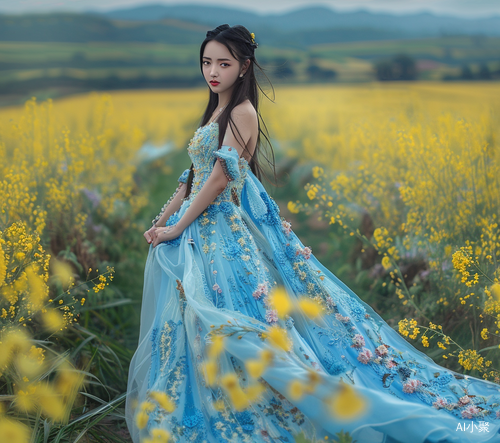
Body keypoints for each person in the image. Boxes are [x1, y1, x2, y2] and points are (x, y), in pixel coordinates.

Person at [125, 24, 500, 443]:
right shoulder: (215, 111)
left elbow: (216, 181)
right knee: (202, 313)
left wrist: (177, 226)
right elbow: (191, 176)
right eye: (207, 62)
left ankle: (274, 400)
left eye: (223, 64)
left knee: (234, 316)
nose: (212, 71)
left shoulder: (243, 112)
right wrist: (165, 219)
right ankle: (215, 395)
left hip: (223, 233)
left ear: (244, 66)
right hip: (204, 230)